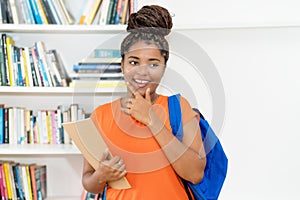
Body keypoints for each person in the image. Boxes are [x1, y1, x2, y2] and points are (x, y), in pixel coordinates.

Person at [82, 5, 206, 200]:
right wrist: (101, 175)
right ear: (122, 65)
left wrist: (151, 120)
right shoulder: (101, 115)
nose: (142, 71)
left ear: (164, 68)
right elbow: (89, 182)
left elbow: (196, 174)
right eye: (134, 62)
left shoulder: (179, 108)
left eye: (153, 63)